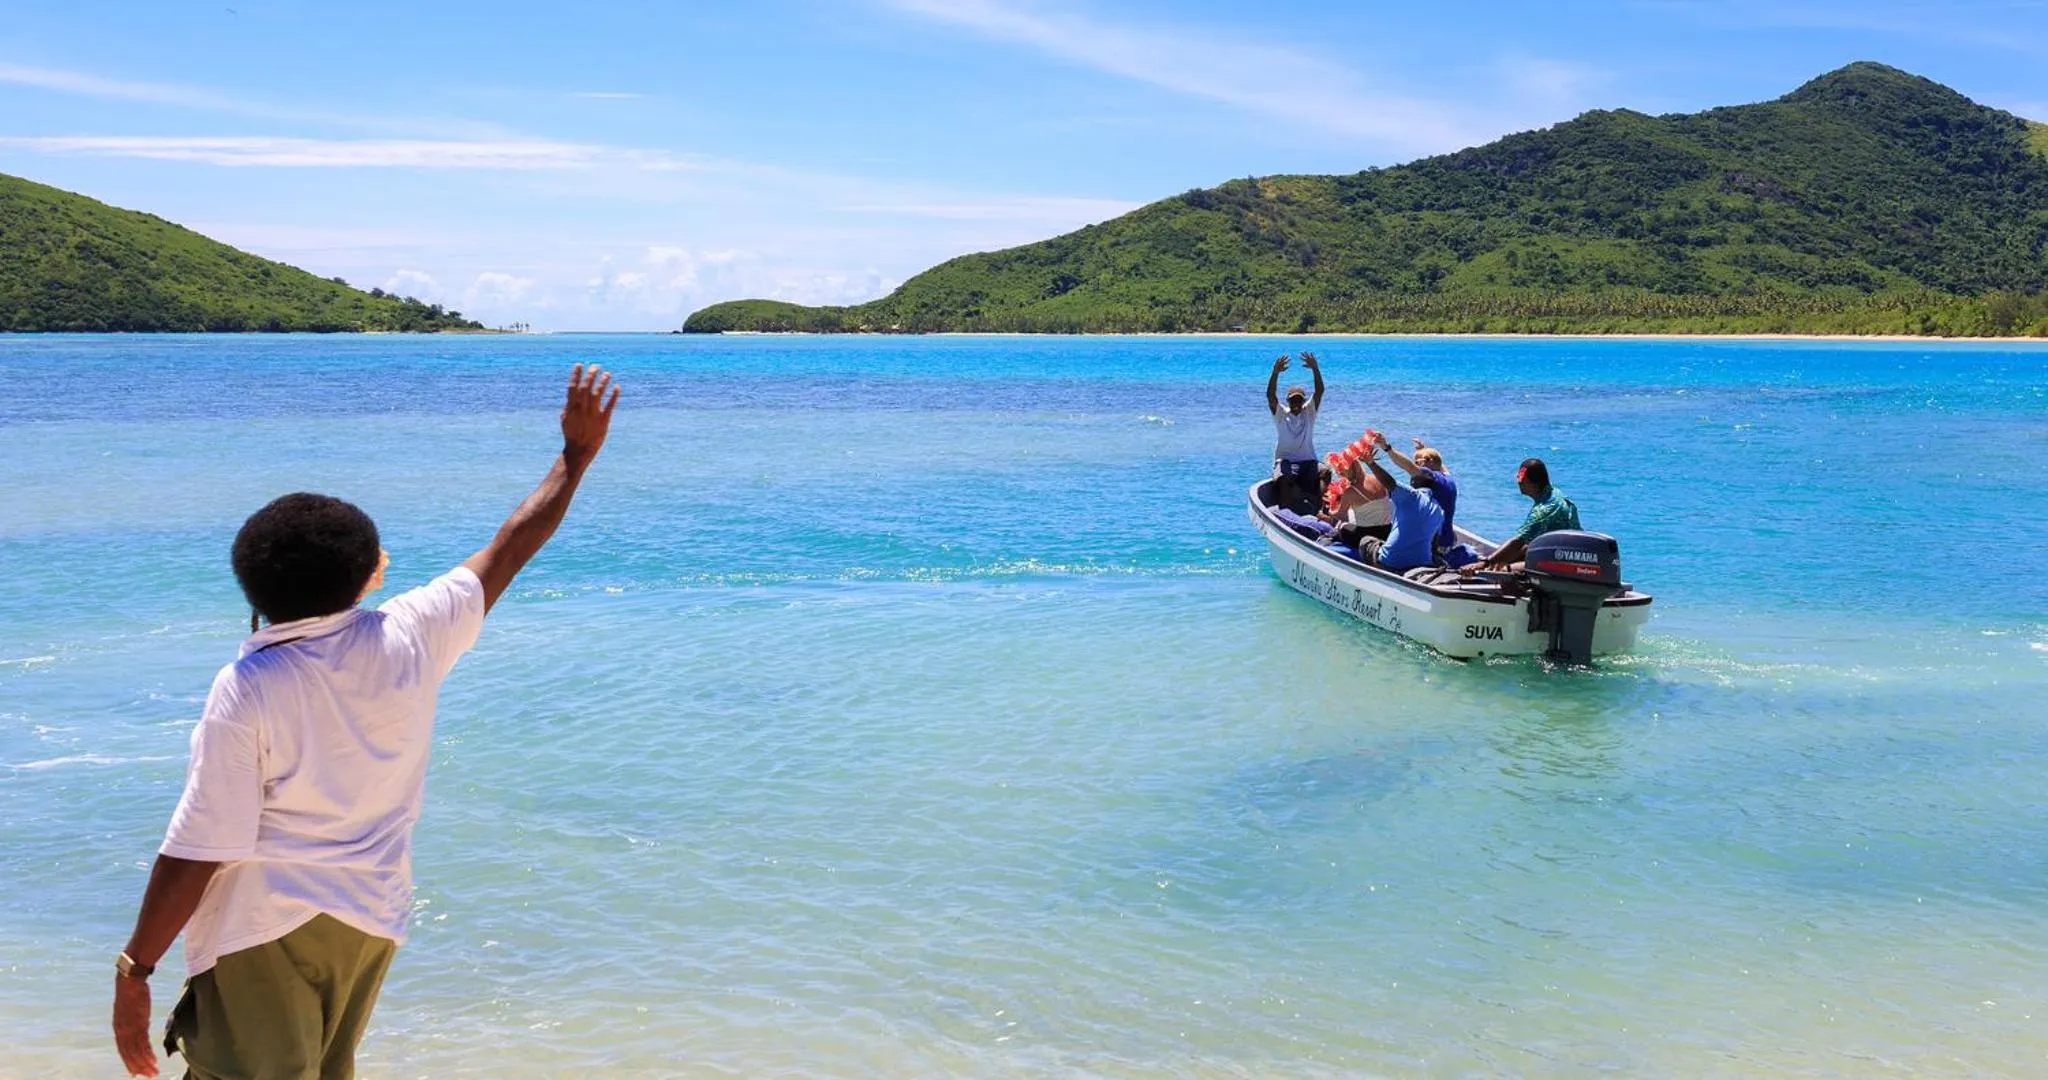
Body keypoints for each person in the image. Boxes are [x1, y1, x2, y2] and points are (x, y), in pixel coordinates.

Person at [111, 364, 621, 1080]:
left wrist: (136, 969)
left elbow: (199, 847)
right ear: (371, 573)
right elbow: (510, 548)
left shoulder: (249, 685)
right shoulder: (410, 634)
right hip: (370, 921)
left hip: (265, 926)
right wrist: (575, 457)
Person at [1375, 435, 1475, 567]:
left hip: (1438, 544)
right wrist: (1424, 451)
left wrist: (1386, 448)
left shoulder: (1433, 480)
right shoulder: (1448, 479)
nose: (1416, 465)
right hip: (1448, 538)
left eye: (1418, 461)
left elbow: (1408, 467)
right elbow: (1439, 464)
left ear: (1431, 462)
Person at [1471, 457, 1581, 572]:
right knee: (1518, 553)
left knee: (1506, 572)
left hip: (1565, 561)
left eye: (1522, 479)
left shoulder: (1543, 510)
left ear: (1533, 482)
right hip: (1563, 552)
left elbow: (1517, 542)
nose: (1519, 482)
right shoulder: (1553, 494)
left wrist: (1485, 563)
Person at [1356, 437, 1444, 573]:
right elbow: (1435, 542)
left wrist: (1371, 463)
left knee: (1366, 541)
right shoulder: (1439, 509)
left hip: (1391, 562)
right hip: (1422, 564)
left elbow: (1390, 483)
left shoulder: (1411, 496)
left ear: (1414, 483)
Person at [1265, 351, 1324, 514]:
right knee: (1283, 478)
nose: (1296, 403)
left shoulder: (1309, 412)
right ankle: (1286, 514)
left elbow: (1319, 392)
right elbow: (1270, 396)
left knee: (1325, 472)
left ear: (1304, 401)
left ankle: (1322, 509)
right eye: (1293, 400)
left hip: (1308, 461)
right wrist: (1275, 373)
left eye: (1299, 400)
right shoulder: (1281, 415)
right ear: (1288, 401)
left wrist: (1315, 369)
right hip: (1286, 461)